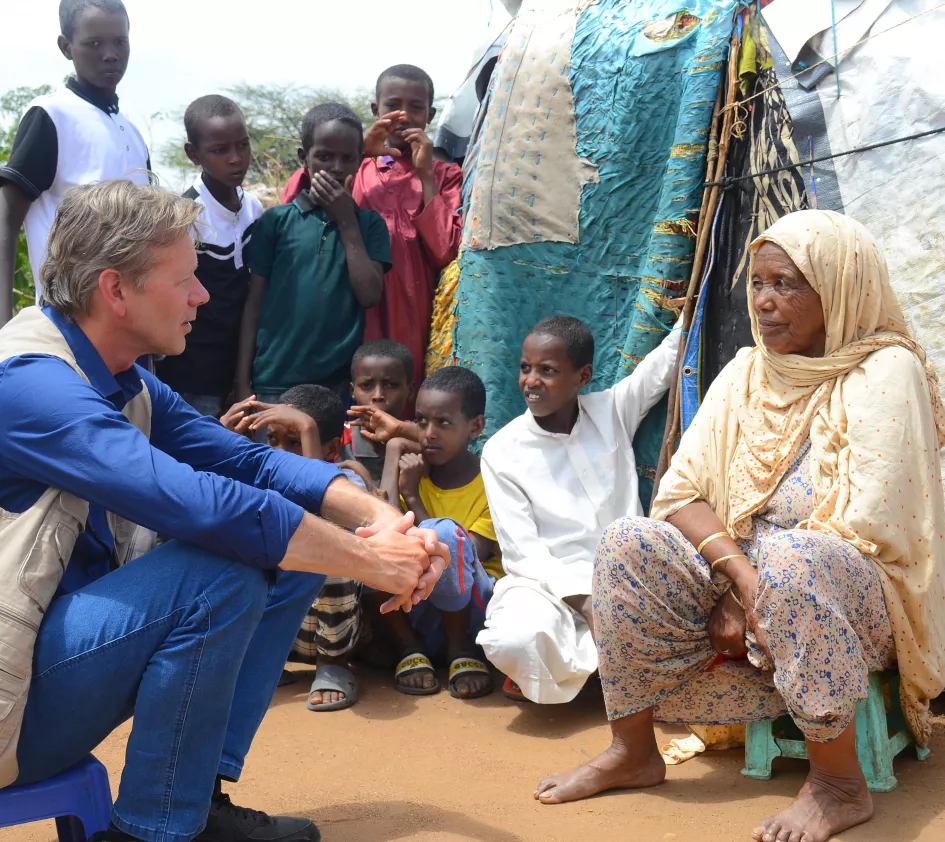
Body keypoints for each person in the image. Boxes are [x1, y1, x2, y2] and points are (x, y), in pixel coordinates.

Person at [0, 179, 450, 842]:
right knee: (224, 568)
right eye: (183, 279)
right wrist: (371, 562)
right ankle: (152, 830)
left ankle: (192, 797)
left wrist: (375, 518)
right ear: (115, 290)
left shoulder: (121, 374)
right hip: (13, 709)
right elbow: (192, 502)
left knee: (284, 549)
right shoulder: (32, 384)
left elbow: (252, 464)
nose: (202, 295)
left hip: (53, 666)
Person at [535, 211, 945, 842]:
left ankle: (838, 783)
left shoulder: (887, 371)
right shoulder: (747, 371)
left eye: (786, 284)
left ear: (837, 286)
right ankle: (633, 750)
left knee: (798, 559)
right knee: (626, 543)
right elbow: (679, 494)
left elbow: (867, 524)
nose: (766, 302)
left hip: (852, 597)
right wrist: (742, 581)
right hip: (750, 577)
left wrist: (760, 585)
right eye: (757, 284)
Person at [477, 314, 681, 703]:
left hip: (629, 583)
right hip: (550, 590)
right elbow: (525, 553)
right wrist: (587, 605)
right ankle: (602, 669)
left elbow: (667, 359)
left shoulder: (612, 410)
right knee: (512, 638)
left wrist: (701, 296)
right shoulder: (502, 452)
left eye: (547, 370)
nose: (531, 381)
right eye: (526, 368)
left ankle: (603, 668)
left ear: (583, 376)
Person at [0, 0, 149, 327]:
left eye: (119, 41)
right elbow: (6, 221)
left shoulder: (132, 131)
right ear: (66, 47)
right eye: (94, 43)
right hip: (68, 326)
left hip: (130, 328)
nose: (110, 53)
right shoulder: (52, 116)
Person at [234, 103, 390, 406]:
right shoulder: (276, 221)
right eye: (324, 156)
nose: (335, 167)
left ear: (360, 161)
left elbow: (370, 295)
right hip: (273, 380)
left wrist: (346, 221)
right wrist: (242, 381)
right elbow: (253, 305)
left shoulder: (370, 226)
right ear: (303, 157)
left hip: (338, 386)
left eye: (347, 158)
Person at [376, 366, 498, 698]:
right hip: (420, 613)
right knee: (370, 538)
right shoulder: (413, 472)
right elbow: (385, 528)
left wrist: (413, 497)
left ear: (475, 426)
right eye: (421, 421)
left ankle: (460, 651)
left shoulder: (492, 481)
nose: (429, 433)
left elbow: (471, 555)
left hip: (475, 617)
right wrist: (393, 454)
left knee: (443, 533)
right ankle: (410, 649)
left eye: (443, 423)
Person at [155, 95, 262, 418]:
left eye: (242, 145)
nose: (235, 158)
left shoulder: (253, 208)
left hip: (238, 371)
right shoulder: (186, 217)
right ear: (193, 154)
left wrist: (241, 377)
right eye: (220, 150)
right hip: (191, 376)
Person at [342, 339, 416, 488]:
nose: (378, 395)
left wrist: (401, 430)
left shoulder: (422, 437)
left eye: (391, 385)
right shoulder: (339, 439)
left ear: (410, 391)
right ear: (353, 392)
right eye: (366, 385)